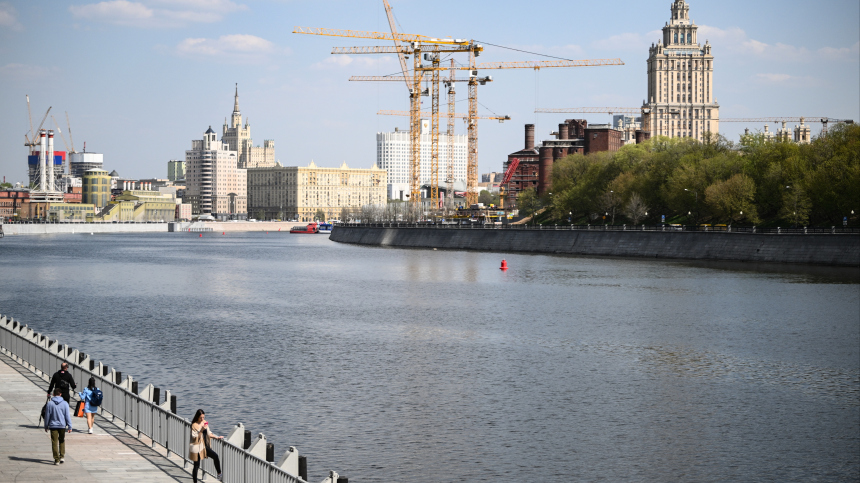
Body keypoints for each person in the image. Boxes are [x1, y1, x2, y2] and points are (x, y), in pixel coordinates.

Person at [189, 409, 224, 482]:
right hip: (197, 446)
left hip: (205, 446)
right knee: (196, 465)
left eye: (203, 417)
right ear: (197, 417)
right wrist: (201, 430)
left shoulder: (204, 422)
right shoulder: (194, 425)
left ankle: (219, 474)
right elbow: (195, 438)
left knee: (215, 456)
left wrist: (216, 437)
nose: (202, 419)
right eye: (201, 418)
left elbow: (209, 433)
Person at [44, 387, 73, 465]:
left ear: (53, 394)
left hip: (53, 426)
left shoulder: (50, 403)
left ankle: (56, 459)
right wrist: (70, 426)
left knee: (54, 442)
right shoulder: (65, 403)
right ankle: (62, 456)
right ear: (60, 394)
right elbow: (67, 416)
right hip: (62, 425)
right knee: (62, 440)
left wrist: (46, 426)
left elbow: (47, 416)